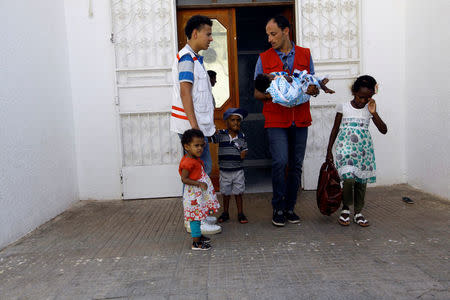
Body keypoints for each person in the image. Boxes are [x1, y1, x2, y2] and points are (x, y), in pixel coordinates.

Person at [254, 15, 320, 227]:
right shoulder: (263, 58)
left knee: (296, 165)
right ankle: (278, 207)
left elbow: (313, 85)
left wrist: (313, 89)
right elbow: (257, 93)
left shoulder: (305, 54)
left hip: (300, 118)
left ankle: (290, 207)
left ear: (286, 31)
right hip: (276, 120)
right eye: (268, 35)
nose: (270, 39)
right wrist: (278, 96)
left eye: (273, 34)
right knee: (280, 161)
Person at [326, 75, 387, 227]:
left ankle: (358, 212)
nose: (363, 101)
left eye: (367, 98)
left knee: (361, 182)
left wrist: (373, 112)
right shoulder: (343, 107)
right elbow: (335, 129)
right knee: (348, 179)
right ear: (354, 92)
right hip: (344, 149)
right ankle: (346, 209)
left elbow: (384, 130)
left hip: (363, 151)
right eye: (360, 97)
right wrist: (329, 150)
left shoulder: (369, 108)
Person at [170, 15, 215, 175]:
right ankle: (194, 201)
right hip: (191, 126)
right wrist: (195, 128)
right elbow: (185, 93)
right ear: (195, 34)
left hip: (195, 125)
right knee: (197, 171)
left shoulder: (194, 59)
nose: (211, 38)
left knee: (197, 170)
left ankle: (197, 201)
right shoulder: (187, 58)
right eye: (208, 34)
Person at [179, 129, 221, 250]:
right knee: (195, 218)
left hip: (197, 194)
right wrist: (198, 183)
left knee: (198, 216)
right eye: (196, 145)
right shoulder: (188, 162)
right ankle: (196, 243)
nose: (200, 148)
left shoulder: (194, 158)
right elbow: (184, 179)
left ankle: (198, 236)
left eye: (202, 145)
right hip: (193, 196)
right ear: (186, 146)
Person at [211, 108, 249, 224]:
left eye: (238, 120)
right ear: (227, 122)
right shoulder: (221, 135)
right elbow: (212, 139)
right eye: (232, 120)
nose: (236, 123)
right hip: (224, 171)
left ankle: (240, 213)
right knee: (225, 193)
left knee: (238, 192)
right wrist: (213, 131)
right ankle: (225, 212)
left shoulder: (242, 136)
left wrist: (243, 152)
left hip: (238, 170)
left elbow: (244, 150)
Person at [255, 70, 334, 107]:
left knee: (310, 83)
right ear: (270, 80)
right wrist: (284, 77)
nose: (271, 74)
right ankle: (323, 86)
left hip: (300, 100)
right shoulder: (277, 81)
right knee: (310, 78)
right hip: (300, 90)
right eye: (269, 75)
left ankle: (320, 85)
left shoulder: (273, 91)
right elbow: (290, 79)